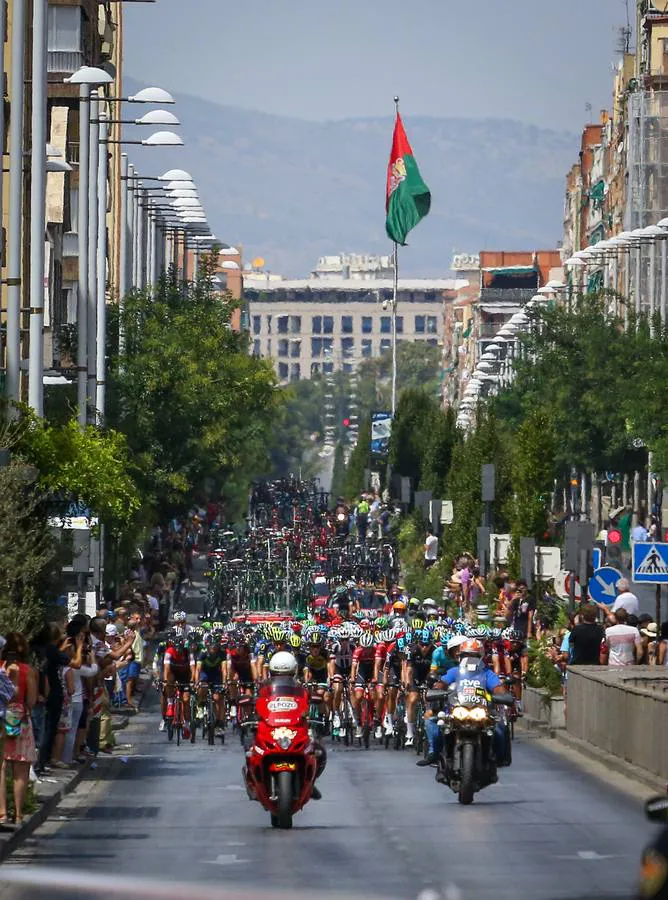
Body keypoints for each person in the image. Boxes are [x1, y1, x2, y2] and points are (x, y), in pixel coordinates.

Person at [417, 639, 508, 768]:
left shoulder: (487, 673)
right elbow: (442, 683)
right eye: (467, 655)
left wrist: (501, 695)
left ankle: (498, 758)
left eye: (474, 656)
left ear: (481, 656)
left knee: (499, 726)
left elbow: (498, 687)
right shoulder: (455, 671)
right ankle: (434, 753)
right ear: (461, 656)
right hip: (457, 708)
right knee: (432, 720)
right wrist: (436, 690)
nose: (470, 659)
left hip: (481, 710)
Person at [0, 633, 37, 826]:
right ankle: (19, 814)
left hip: (1, 719)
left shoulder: (1, 668)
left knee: (1, 767)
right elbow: (31, 701)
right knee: (21, 768)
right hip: (20, 720)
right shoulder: (27, 671)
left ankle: (2, 813)